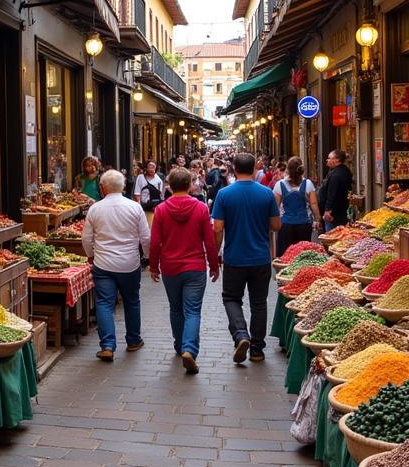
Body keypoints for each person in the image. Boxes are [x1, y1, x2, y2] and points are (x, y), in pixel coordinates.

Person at [212, 152, 281, 364]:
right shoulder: (266, 193)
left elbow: (218, 228)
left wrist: (216, 252)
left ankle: (241, 335)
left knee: (231, 298)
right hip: (260, 257)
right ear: (253, 169)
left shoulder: (224, 194)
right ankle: (257, 349)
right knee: (259, 302)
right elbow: (276, 225)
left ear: (233, 169)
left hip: (234, 257)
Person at [149, 168, 219, 375]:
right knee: (193, 310)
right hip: (195, 267)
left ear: (169, 185)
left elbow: (155, 242)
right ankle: (190, 348)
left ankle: (180, 346)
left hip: (170, 266)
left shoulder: (161, 209)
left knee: (176, 308)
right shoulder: (200, 209)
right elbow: (209, 240)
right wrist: (214, 265)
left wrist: (154, 266)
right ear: (190, 185)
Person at [82, 170, 150, 363]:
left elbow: (87, 238)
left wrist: (91, 255)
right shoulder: (134, 207)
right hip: (129, 263)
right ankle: (133, 340)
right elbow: (145, 237)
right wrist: (148, 257)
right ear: (123, 187)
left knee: (104, 303)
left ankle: (107, 346)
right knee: (132, 301)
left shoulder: (96, 208)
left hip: (103, 264)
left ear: (103, 188)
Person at [273, 157, 321, 257]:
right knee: (302, 255)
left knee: (286, 254)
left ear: (287, 169)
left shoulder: (279, 184)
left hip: (285, 224)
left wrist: (273, 223)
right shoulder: (308, 184)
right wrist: (318, 219)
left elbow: (275, 206)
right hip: (304, 224)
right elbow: (314, 204)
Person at [318, 149, 354, 228]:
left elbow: (332, 193)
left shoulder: (336, 175)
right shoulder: (341, 170)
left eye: (329, 158)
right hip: (340, 211)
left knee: (332, 234)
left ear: (337, 159)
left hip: (334, 214)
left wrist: (328, 210)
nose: (327, 160)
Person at [133, 159, 164, 226]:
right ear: (146, 168)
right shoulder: (140, 178)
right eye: (149, 167)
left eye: (153, 167)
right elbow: (137, 194)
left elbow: (159, 195)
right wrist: (139, 208)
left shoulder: (159, 180)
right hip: (143, 208)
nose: (151, 169)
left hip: (154, 208)